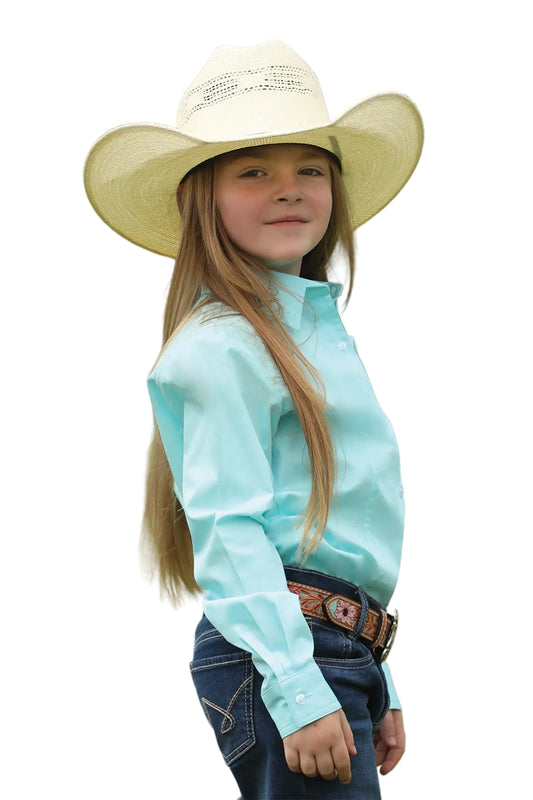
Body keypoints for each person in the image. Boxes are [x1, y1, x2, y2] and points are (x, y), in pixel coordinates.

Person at [84, 39, 423, 799]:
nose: (288, 188)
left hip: (325, 645)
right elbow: (231, 530)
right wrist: (301, 688)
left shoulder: (310, 334)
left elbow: (317, 526)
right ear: (201, 196)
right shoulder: (224, 346)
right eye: (253, 170)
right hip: (285, 651)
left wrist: (376, 668)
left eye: (309, 167)